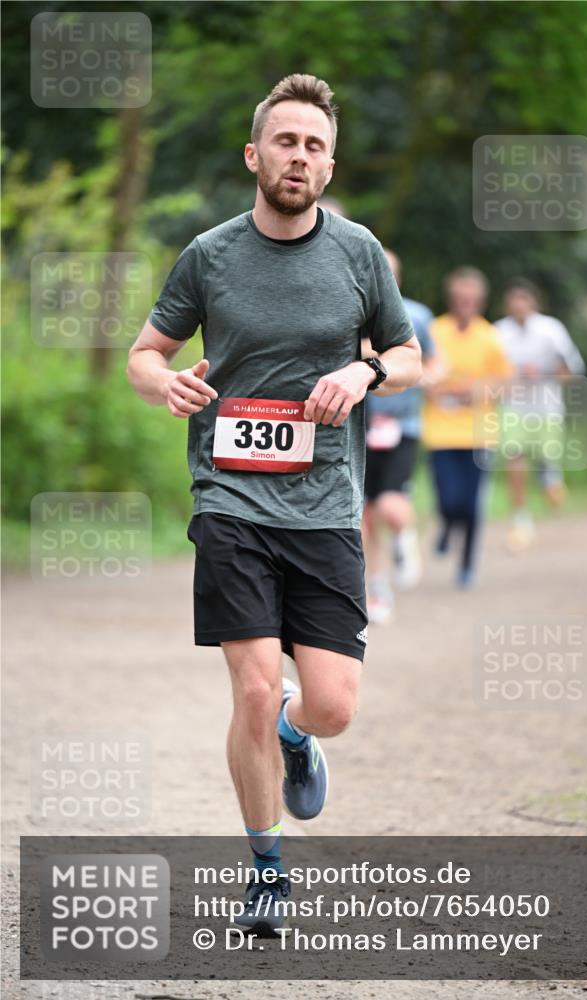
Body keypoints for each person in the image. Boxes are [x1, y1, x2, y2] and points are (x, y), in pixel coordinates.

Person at [126, 74, 421, 935]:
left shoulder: (359, 253)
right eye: (285, 142)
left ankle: (301, 736)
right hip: (230, 499)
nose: (299, 157)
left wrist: (363, 369)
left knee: (328, 704)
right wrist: (164, 382)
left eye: (315, 146)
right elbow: (147, 353)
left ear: (330, 166)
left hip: (326, 503)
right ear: (255, 155)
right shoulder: (210, 255)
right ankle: (265, 871)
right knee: (253, 688)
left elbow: (407, 357)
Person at [421, 267, 512, 588]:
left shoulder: (490, 336)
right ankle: (447, 523)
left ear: (480, 301)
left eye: (471, 299)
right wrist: (436, 387)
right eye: (460, 298)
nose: (465, 303)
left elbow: (504, 383)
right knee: (448, 499)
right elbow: (421, 370)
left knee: (473, 504)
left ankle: (467, 563)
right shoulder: (435, 330)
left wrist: (475, 391)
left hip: (479, 433)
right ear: (452, 298)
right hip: (441, 432)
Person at [362, 249, 436, 624]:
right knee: (365, 516)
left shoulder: (418, 316)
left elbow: (432, 361)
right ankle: (377, 588)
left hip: (403, 427)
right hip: (360, 427)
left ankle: (405, 540)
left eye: (388, 274)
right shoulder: (355, 315)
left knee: (390, 505)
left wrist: (430, 376)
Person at [494, 278, 586, 552]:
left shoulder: (551, 329)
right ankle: (520, 518)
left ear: (533, 303)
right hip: (514, 408)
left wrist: (542, 374)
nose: (518, 305)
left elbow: (572, 372)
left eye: (524, 299)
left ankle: (552, 482)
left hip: (547, 408)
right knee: (515, 458)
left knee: (546, 461)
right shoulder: (498, 332)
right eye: (513, 299)